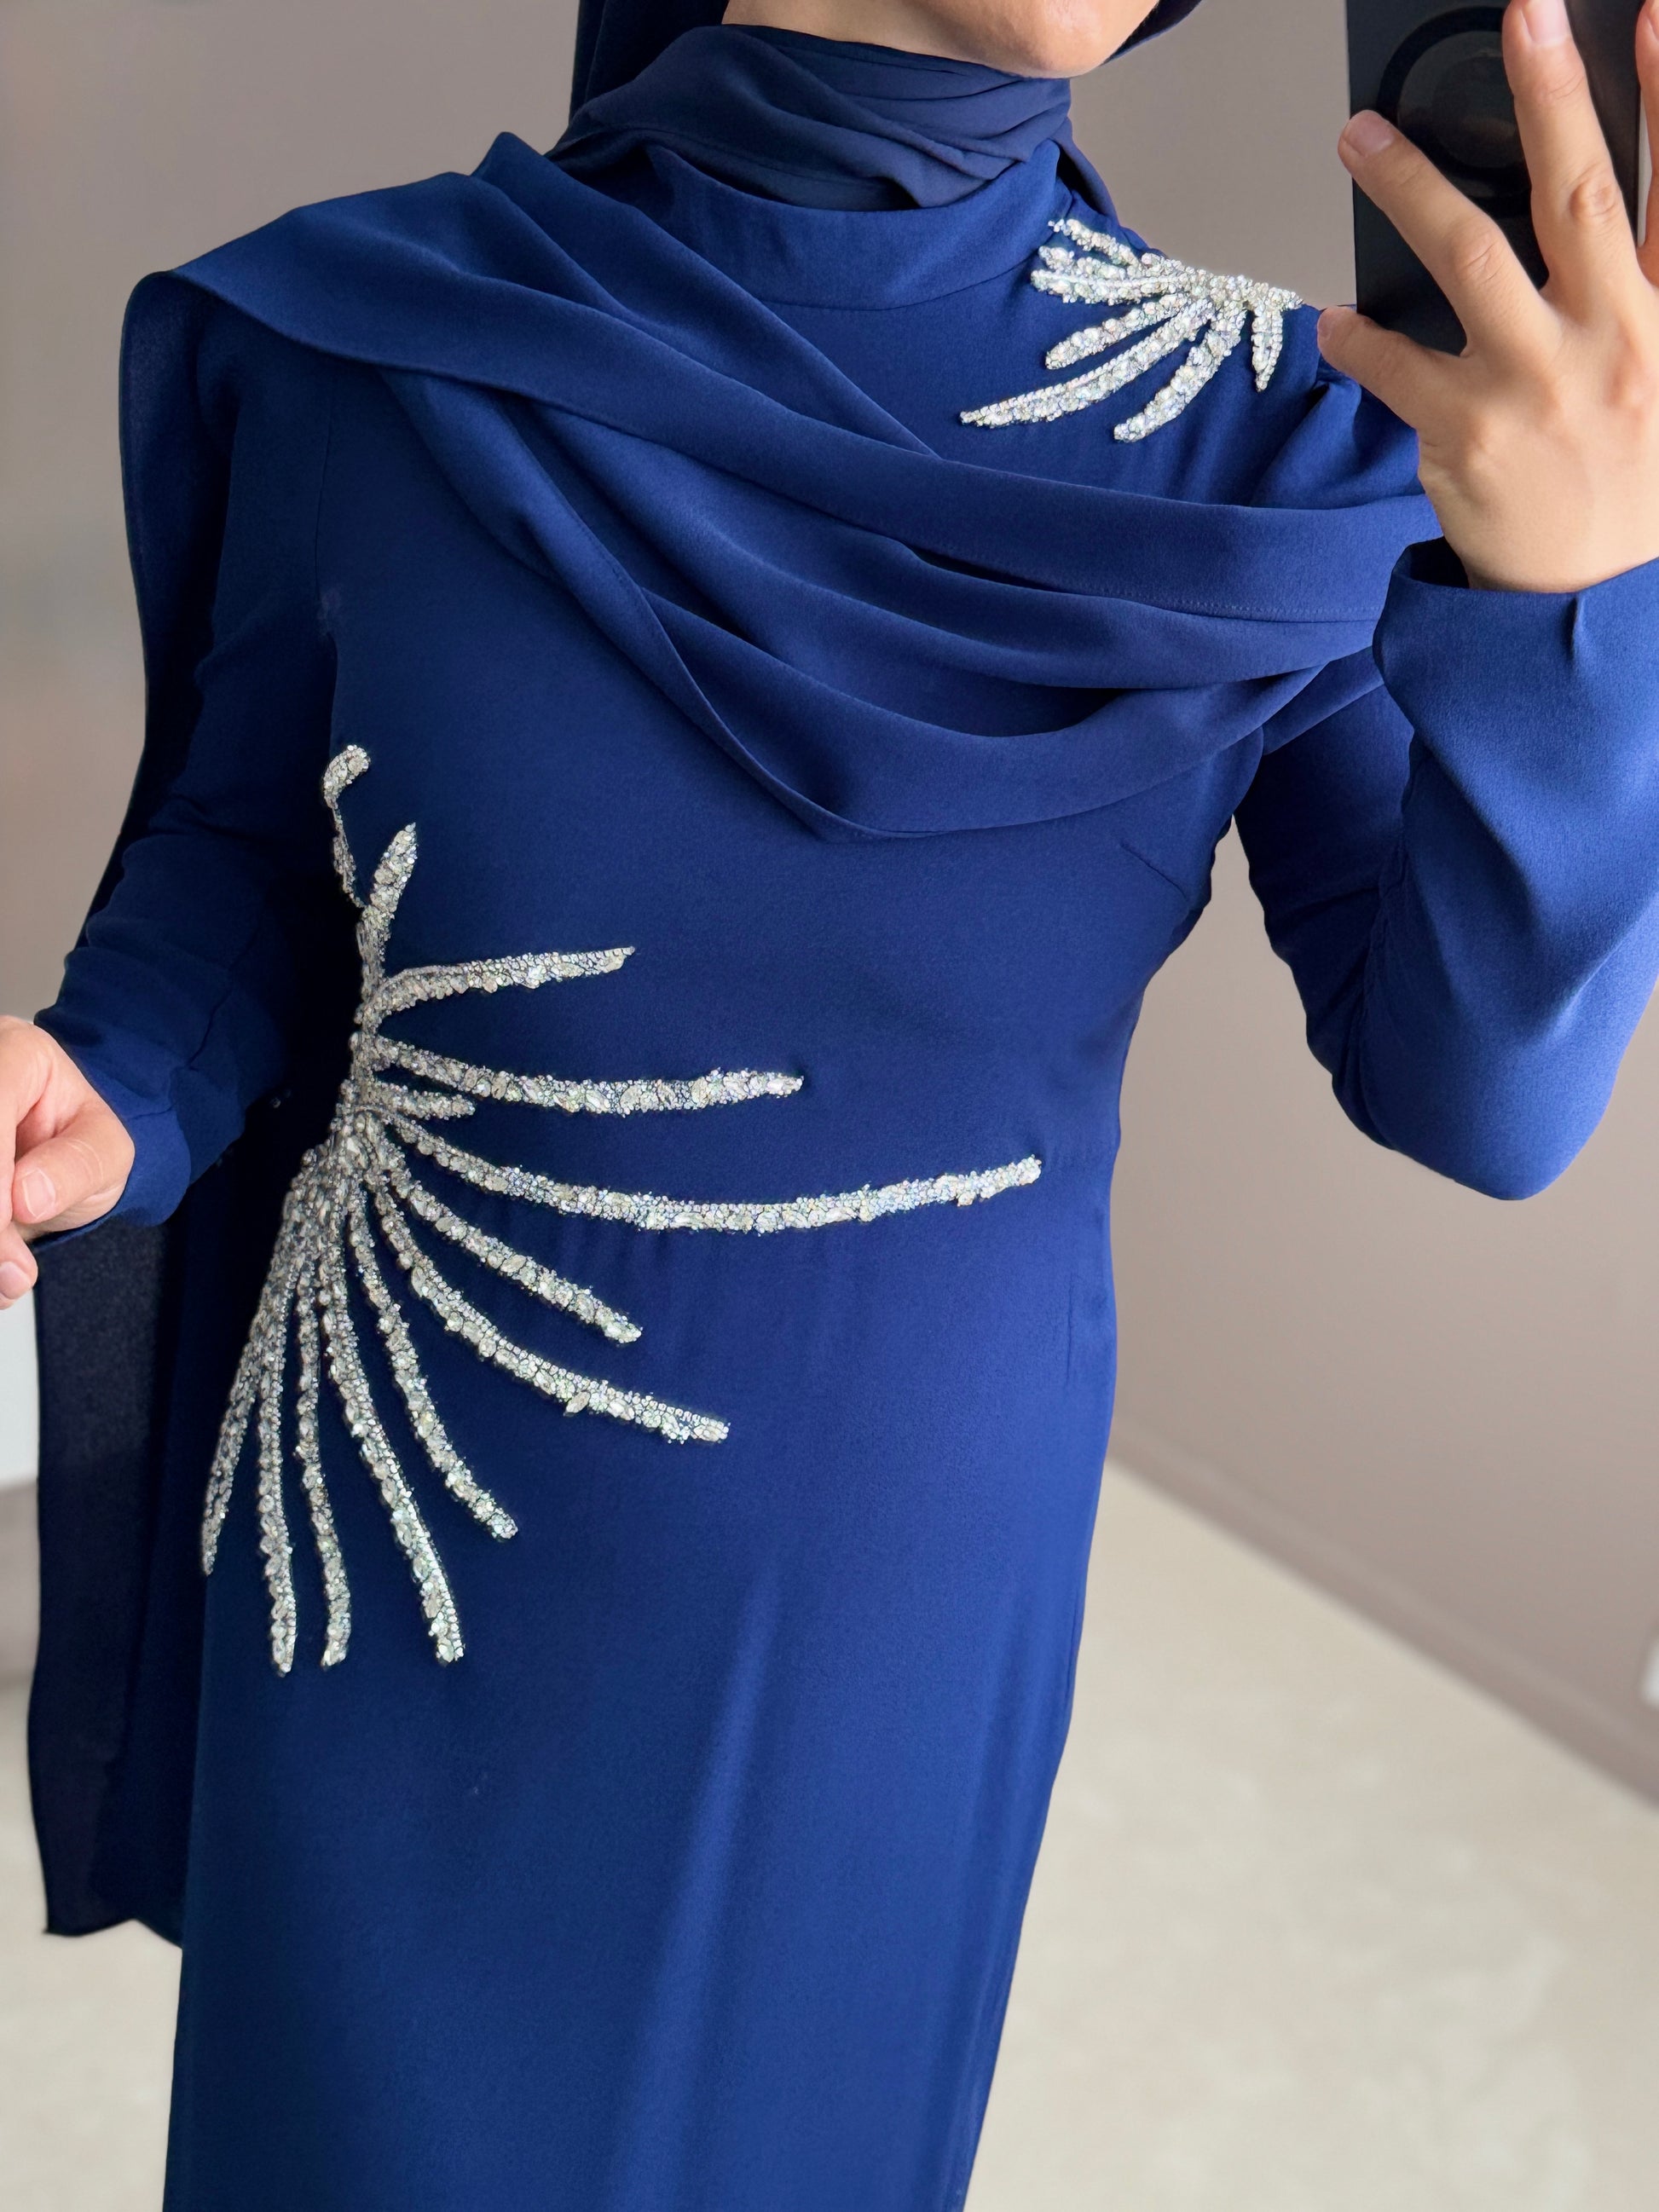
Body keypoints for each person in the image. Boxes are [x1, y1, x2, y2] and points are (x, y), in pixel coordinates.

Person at [7, 0, 1659, 2203]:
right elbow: (243, 866)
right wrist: (102, 1083)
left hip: (890, 1647)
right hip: (407, 1559)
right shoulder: (383, 339)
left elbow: (1479, 1099)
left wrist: (1578, 605)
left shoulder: (1276, 440)